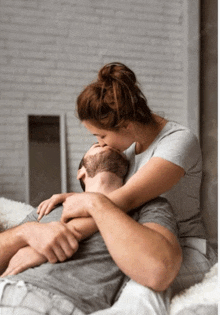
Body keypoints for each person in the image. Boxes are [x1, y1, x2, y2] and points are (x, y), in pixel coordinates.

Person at [37, 62, 217, 296]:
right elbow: (111, 202)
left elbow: (124, 200)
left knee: (117, 282)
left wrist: (49, 240)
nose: (100, 144)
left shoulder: (178, 143)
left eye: (101, 135)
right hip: (141, 242)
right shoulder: (130, 151)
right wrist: (72, 198)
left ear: (126, 124)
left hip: (182, 249)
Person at [0, 145, 181, 315]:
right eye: (96, 144)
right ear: (81, 173)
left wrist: (95, 202)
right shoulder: (51, 207)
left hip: (51, 303)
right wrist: (25, 233)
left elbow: (159, 270)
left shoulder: (148, 206)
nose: (104, 144)